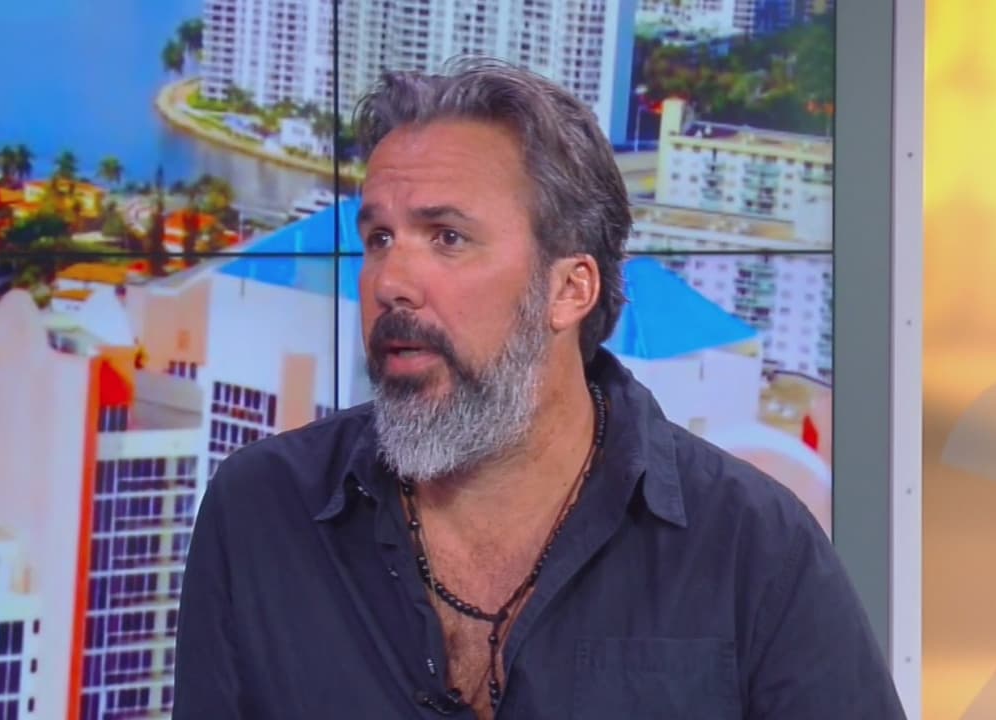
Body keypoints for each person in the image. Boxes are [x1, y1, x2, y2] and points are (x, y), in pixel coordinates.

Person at [173, 57, 907, 719]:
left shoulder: (752, 546)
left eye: (447, 238)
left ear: (569, 289)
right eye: (379, 239)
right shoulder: (261, 511)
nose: (390, 281)